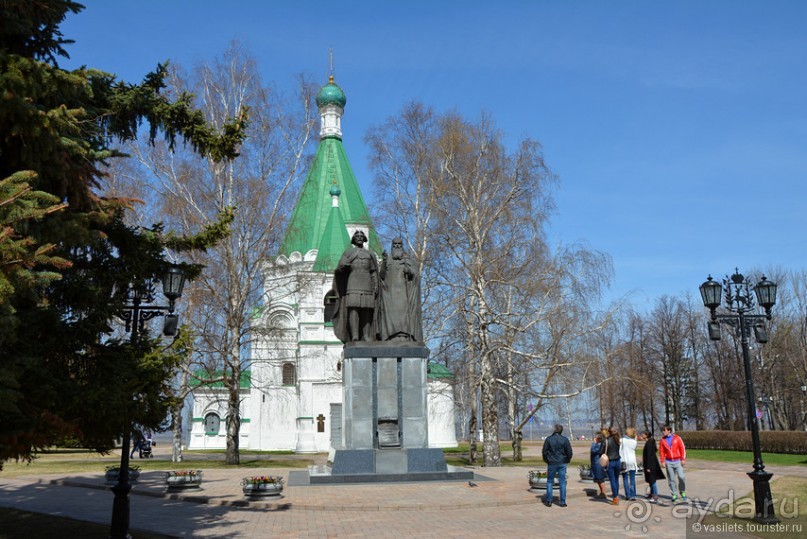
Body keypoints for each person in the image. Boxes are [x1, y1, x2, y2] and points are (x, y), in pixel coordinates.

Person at [332, 230, 378, 342]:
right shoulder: (348, 253)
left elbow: (373, 271)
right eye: (357, 236)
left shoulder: (370, 254)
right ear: (353, 239)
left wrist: (376, 284)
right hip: (353, 282)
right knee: (354, 308)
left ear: (364, 239)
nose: (359, 238)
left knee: (367, 309)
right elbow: (339, 269)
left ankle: (366, 335)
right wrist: (343, 267)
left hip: (367, 282)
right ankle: (355, 335)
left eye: (361, 236)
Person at [378, 238, 423, 342]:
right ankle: (390, 336)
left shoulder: (408, 260)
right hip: (390, 294)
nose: (397, 246)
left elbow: (416, 275)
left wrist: (409, 271)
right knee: (391, 315)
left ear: (402, 246)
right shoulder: (388, 260)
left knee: (403, 314)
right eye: (395, 244)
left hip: (404, 294)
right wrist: (384, 261)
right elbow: (381, 276)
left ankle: (404, 336)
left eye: (399, 244)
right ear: (392, 245)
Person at [541, 423, 573, 507]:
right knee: (562, 482)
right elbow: (569, 452)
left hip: (552, 462)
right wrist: (567, 460)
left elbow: (544, 452)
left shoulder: (549, 439)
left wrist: (547, 460)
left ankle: (549, 501)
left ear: (554, 430)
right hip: (562, 462)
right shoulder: (564, 440)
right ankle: (562, 502)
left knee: (550, 481)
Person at [658, 424, 687, 502]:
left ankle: (682, 491)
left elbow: (682, 448)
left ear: (669, 431)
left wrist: (683, 459)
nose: (663, 432)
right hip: (669, 462)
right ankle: (674, 494)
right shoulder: (662, 440)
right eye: (662, 431)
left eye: (664, 430)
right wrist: (662, 461)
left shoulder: (677, 438)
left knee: (681, 477)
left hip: (678, 461)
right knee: (671, 479)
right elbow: (661, 452)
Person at [599, 427, 622, 505]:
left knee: (612, 480)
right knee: (616, 479)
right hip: (618, 461)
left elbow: (600, 451)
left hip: (610, 461)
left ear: (609, 432)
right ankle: (616, 495)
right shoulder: (617, 440)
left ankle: (615, 498)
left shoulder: (606, 440)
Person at [642, 430, 665, 503]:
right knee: (650, 480)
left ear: (646, 435)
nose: (642, 435)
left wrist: (648, 467)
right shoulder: (650, 442)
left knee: (652, 480)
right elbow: (654, 450)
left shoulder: (649, 443)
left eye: (643, 434)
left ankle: (655, 496)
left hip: (651, 465)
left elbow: (649, 455)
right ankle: (652, 494)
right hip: (652, 464)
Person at [619, 427, 639, 501]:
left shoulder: (622, 440)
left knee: (625, 478)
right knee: (632, 479)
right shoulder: (634, 442)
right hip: (632, 461)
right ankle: (632, 495)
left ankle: (627, 494)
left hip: (624, 461)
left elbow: (619, 450)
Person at [589, 433, 608, 498]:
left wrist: (594, 443)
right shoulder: (599, 444)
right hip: (596, 463)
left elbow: (593, 450)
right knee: (598, 479)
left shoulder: (599, 445)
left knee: (600, 479)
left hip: (598, 463)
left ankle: (604, 493)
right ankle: (602, 493)